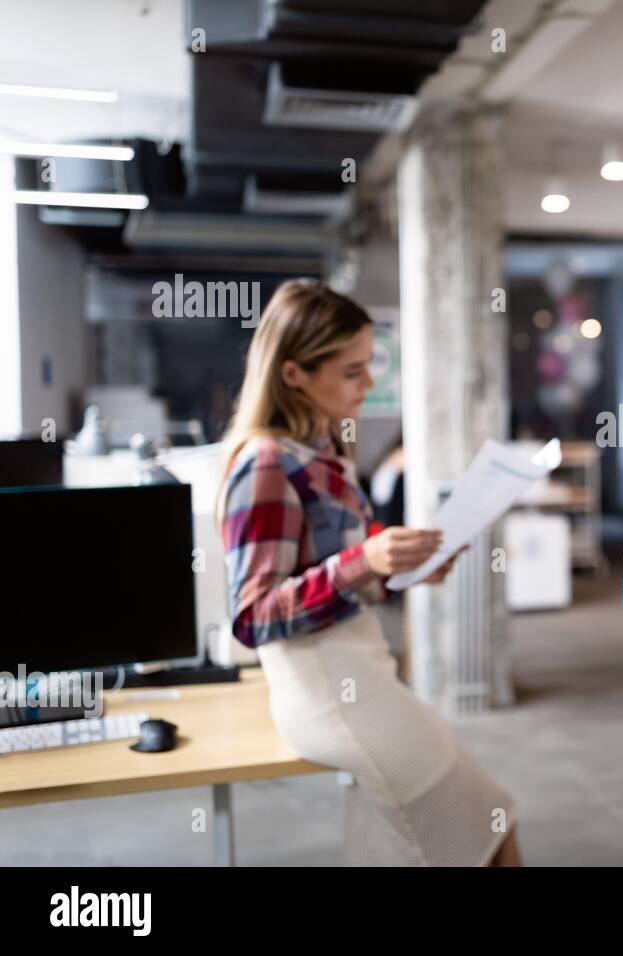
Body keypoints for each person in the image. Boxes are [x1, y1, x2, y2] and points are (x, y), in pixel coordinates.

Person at [218, 279, 521, 866]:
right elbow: (252, 615)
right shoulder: (265, 464)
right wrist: (364, 562)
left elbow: (331, 574)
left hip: (361, 673)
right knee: (491, 830)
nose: (369, 383)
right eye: (352, 371)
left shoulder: (322, 449)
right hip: (327, 688)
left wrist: (399, 571)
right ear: (293, 374)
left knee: (422, 844)